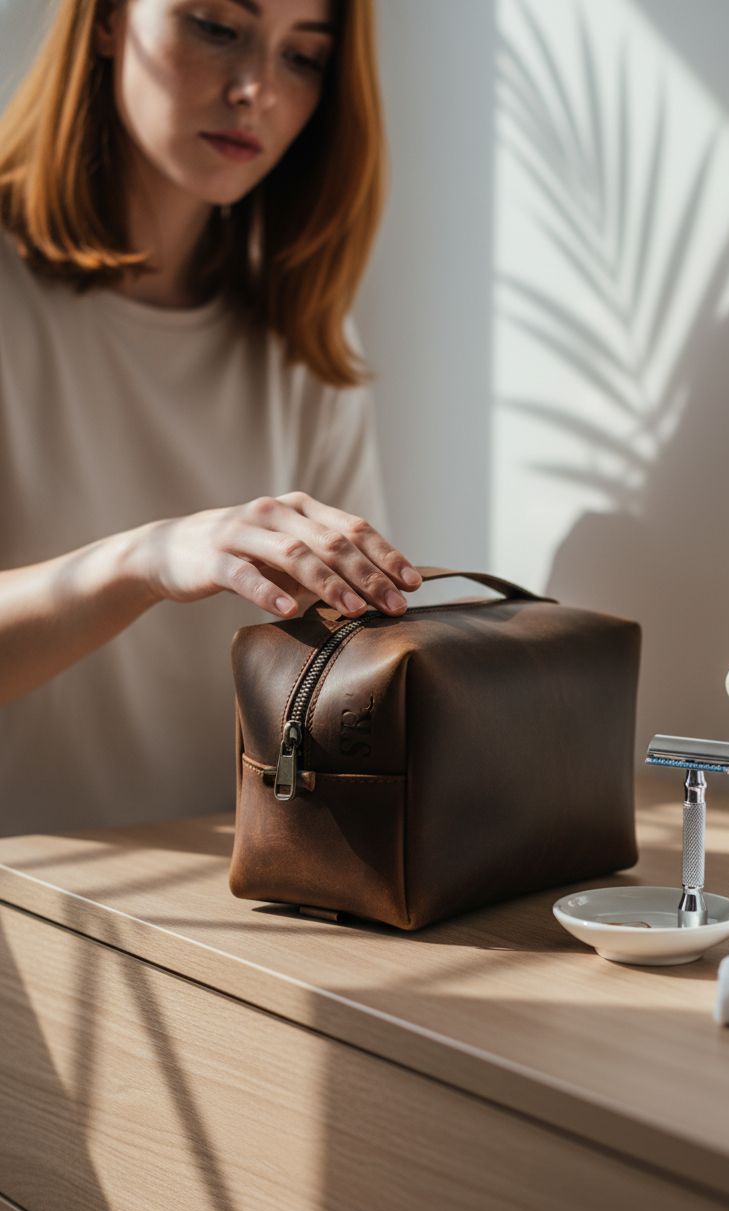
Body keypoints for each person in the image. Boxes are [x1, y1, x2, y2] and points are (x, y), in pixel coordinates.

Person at [0, 0, 422, 836]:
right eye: (218, 27)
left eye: (303, 57)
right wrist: (147, 559)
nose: (256, 89)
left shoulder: (303, 333)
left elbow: (347, 655)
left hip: (231, 905)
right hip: (31, 911)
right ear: (108, 20)